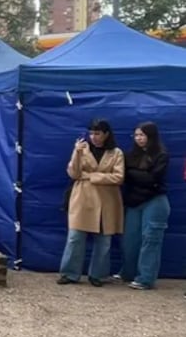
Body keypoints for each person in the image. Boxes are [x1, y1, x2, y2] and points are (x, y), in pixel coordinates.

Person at [58, 118, 125, 287]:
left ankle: (98, 275)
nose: (94, 137)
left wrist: (92, 176)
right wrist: (76, 153)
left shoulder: (116, 153)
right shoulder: (83, 149)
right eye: (92, 133)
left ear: (106, 134)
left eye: (98, 133)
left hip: (107, 201)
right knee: (75, 238)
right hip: (83, 198)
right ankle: (69, 273)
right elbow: (73, 173)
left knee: (104, 241)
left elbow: (118, 177)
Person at [116, 121, 168, 290]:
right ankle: (128, 273)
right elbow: (125, 177)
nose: (138, 138)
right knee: (130, 240)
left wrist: (133, 173)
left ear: (150, 136)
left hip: (155, 201)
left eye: (142, 135)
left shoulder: (161, 154)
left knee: (150, 240)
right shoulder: (130, 155)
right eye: (136, 135)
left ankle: (145, 278)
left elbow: (153, 179)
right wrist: (141, 175)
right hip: (134, 202)